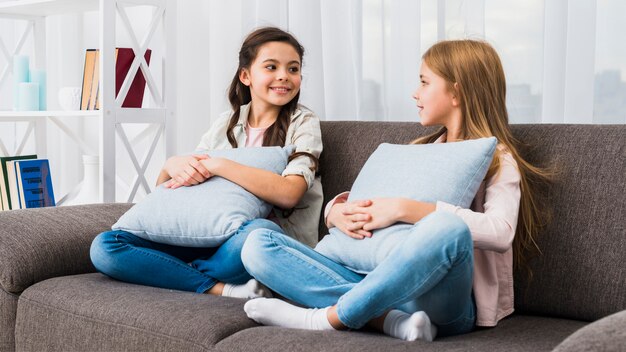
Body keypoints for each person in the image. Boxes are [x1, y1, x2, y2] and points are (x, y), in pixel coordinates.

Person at [240, 39, 552, 341]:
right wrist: (335, 212)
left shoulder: (500, 159)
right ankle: (388, 320)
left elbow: (501, 232)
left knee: (447, 229)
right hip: (378, 285)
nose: (415, 94)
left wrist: (405, 209)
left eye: (424, 82)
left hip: (440, 301)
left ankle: (327, 317)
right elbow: (365, 198)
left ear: (456, 92)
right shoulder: (418, 149)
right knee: (258, 244)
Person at [90, 27, 323, 299]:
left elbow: (289, 193)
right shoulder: (226, 123)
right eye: (271, 67)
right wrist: (170, 166)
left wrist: (218, 165)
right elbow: (174, 197)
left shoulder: (303, 123)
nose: (284, 75)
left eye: (293, 69)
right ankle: (217, 287)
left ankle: (177, 273)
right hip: (205, 237)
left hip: (243, 245)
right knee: (106, 246)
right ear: (245, 76)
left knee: (260, 234)